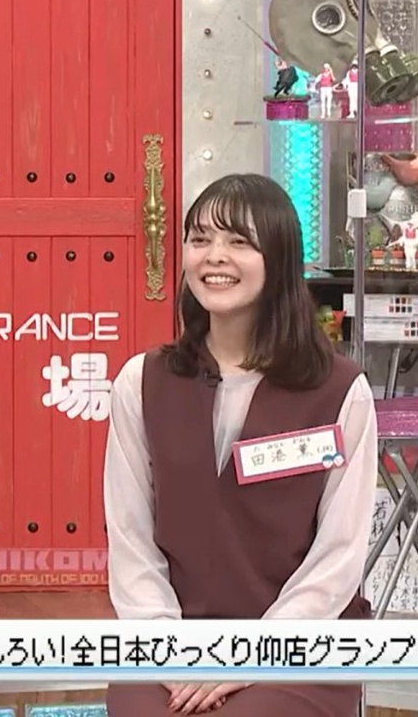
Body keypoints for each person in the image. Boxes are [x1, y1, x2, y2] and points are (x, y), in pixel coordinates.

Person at [102, 173, 377, 717]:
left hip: (301, 644)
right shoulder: (141, 382)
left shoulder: (341, 392)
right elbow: (130, 540)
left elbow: (338, 555)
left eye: (239, 241)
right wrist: (168, 649)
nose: (214, 257)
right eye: (200, 239)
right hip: (174, 641)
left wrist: (255, 655)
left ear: (279, 258)